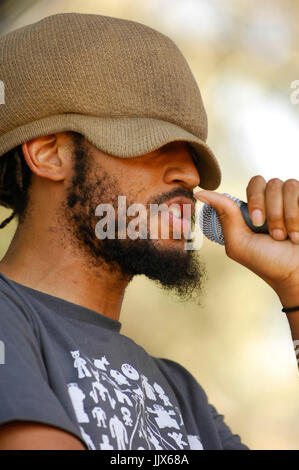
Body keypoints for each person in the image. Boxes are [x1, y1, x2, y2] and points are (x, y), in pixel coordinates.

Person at [0, 12, 297, 451]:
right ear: (49, 154)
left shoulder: (182, 394)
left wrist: (295, 286)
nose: (191, 175)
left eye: (193, 151)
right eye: (151, 143)